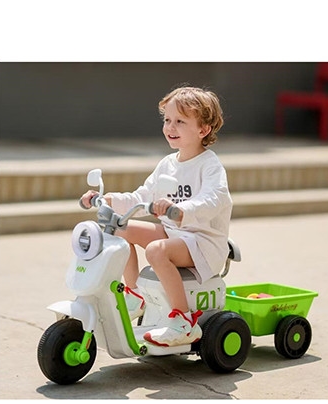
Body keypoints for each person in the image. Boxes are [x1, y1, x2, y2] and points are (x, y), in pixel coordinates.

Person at [80, 85, 232, 347]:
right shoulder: (167, 164)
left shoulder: (209, 165)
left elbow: (214, 199)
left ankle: (184, 322)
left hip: (202, 243)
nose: (170, 127)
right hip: (175, 233)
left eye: (180, 121)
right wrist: (108, 199)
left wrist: (182, 210)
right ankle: (135, 295)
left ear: (203, 130)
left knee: (156, 251)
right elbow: (142, 196)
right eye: (167, 120)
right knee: (119, 228)